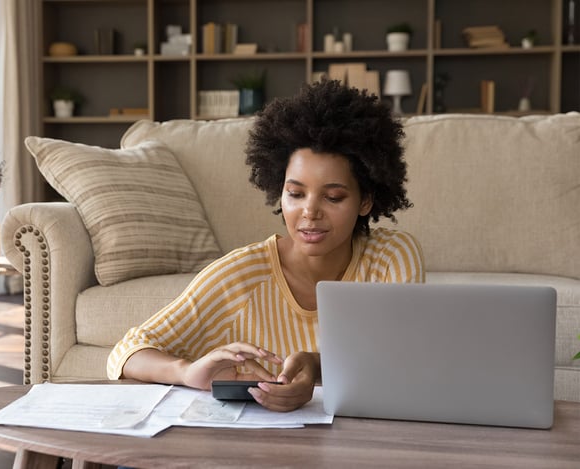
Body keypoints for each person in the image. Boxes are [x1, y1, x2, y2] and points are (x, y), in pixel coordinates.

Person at [107, 79, 425, 412]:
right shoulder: (241, 276)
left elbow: (405, 361)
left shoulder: (391, 257)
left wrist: (317, 366)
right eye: (296, 194)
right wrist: (188, 372)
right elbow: (127, 352)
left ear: (366, 201)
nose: (310, 212)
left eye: (333, 197)